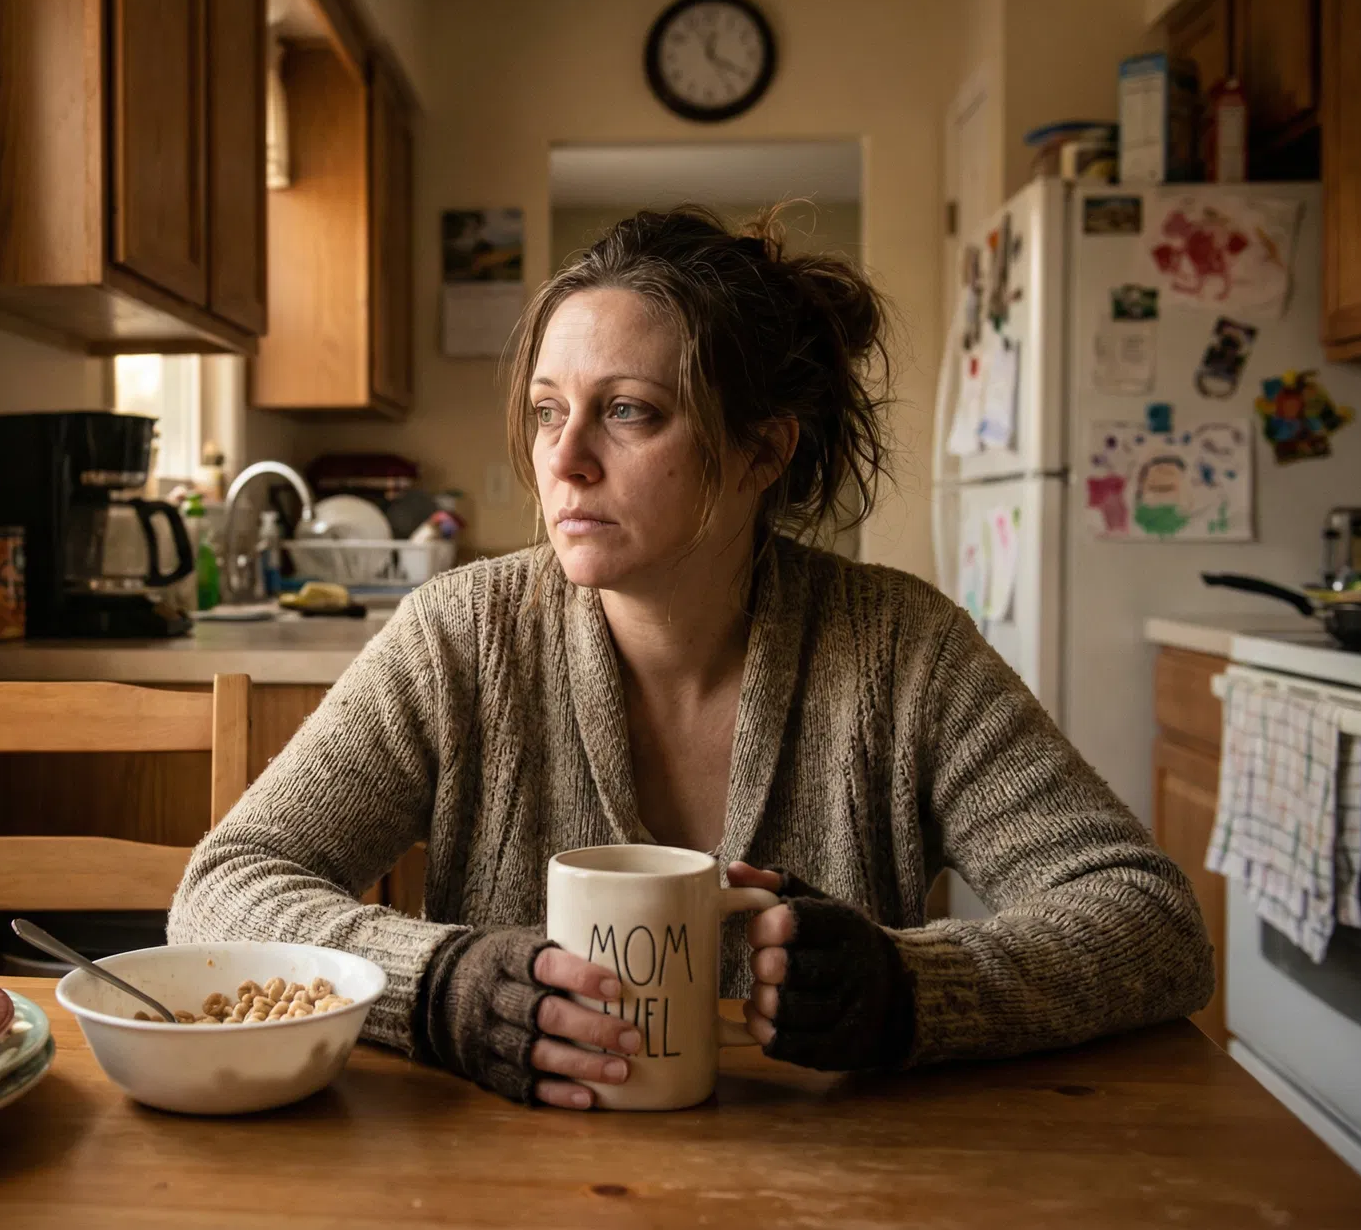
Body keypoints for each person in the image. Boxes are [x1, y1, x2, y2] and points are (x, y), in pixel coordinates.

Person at [168, 208, 1213, 1110]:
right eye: (547, 410)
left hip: (835, 1189)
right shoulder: (460, 636)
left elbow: (1150, 921)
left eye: (628, 410)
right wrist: (437, 984)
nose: (564, 459)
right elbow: (225, 886)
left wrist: (909, 990)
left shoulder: (903, 652)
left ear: (763, 450)